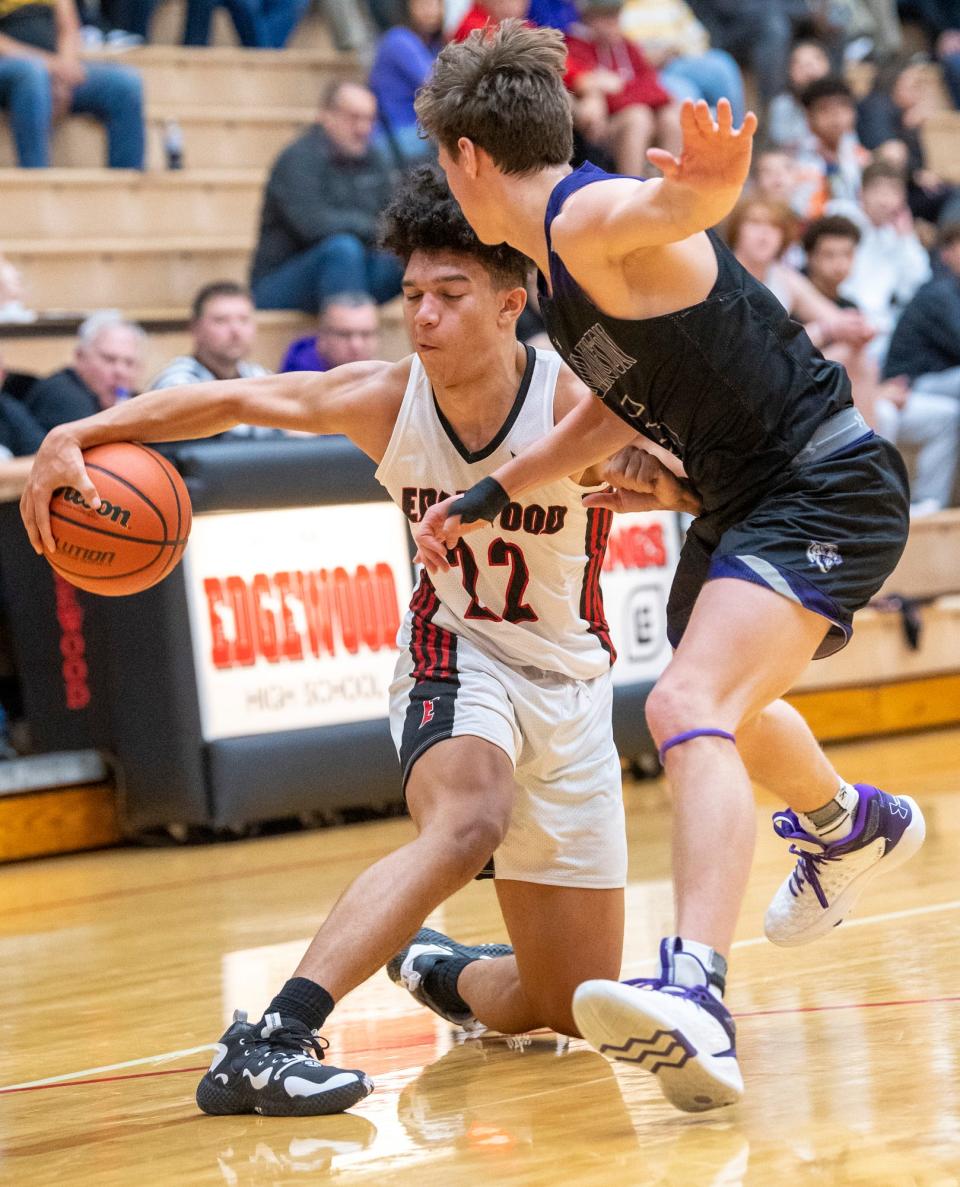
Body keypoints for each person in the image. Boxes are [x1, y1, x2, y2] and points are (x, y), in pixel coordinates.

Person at [20, 165, 693, 1116]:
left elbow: (697, 455)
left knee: (566, 1004)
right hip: (457, 654)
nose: (421, 317)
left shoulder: (577, 404)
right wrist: (81, 430)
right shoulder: (385, 400)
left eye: (449, 296)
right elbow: (231, 403)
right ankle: (274, 1036)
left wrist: (670, 478)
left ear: (511, 305)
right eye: (411, 295)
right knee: (468, 819)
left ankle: (439, 970)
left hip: (575, 688)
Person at [412, 20, 925, 1110]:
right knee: (722, 712)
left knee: (686, 701)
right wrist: (503, 487)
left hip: (822, 484)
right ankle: (848, 821)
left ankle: (696, 986)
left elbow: (664, 209)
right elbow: (606, 399)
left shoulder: (585, 216)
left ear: (465, 155)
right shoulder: (556, 274)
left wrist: (707, 187)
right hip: (740, 501)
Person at [802, 213, 956, 510]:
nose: (839, 264)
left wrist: (879, 389)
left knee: (944, 417)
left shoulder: (850, 305)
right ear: (810, 257)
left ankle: (927, 506)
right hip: (818, 412)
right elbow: (800, 369)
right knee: (883, 413)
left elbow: (864, 368)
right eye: (829, 255)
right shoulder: (795, 305)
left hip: (864, 397)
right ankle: (874, 500)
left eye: (847, 254)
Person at [250, 81, 403, 314]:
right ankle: (353, 339)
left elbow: (392, 225)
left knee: (415, 257)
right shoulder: (298, 159)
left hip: (357, 270)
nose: (363, 128)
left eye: (369, 119)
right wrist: (370, 227)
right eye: (353, 118)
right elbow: (314, 226)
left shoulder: (375, 159)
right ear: (326, 116)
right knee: (342, 250)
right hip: (281, 281)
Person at [0, 0, 144, 169]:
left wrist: (64, 70)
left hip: (53, 70)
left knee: (125, 84)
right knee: (31, 74)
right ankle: (36, 178)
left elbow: (69, 28)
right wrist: (51, 66)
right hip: (13, 68)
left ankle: (125, 185)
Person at [563, 0, 682, 179]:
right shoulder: (575, 46)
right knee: (637, 117)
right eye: (604, 16)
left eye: (616, 15)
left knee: (671, 116)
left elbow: (658, 89)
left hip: (635, 115)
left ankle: (670, 189)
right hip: (600, 129)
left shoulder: (626, 45)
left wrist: (622, 89)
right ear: (588, 18)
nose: (612, 22)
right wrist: (627, 93)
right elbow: (598, 97)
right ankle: (633, 189)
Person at [842, 160, 931, 338]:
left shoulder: (899, 235)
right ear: (861, 193)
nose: (884, 200)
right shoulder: (842, 216)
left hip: (883, 327)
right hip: (843, 315)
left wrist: (906, 239)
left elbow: (914, 287)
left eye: (892, 192)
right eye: (878, 191)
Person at [618, 0, 745, 122]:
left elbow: (698, 38)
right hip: (648, 72)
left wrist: (676, 50)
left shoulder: (670, 3)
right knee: (687, 94)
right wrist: (648, 58)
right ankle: (700, 140)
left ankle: (736, 135)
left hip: (681, 59)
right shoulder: (617, 8)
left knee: (722, 64)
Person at [25, 311, 144, 432]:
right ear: (80, 356)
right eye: (109, 360)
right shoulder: (61, 394)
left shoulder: (136, 400)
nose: (121, 372)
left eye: (129, 363)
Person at [368, 0, 443, 166]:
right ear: (407, 7)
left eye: (437, 4)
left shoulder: (432, 44)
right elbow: (438, 84)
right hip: (396, 134)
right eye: (424, 4)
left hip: (416, 132)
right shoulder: (398, 38)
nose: (432, 11)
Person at [279, 292, 380, 373]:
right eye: (344, 335)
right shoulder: (297, 380)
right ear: (322, 336)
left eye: (366, 334)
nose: (356, 345)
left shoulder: (381, 377)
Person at [766, 38, 831, 154]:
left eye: (816, 59)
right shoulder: (781, 105)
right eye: (799, 63)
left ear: (828, 65)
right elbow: (781, 144)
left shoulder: (842, 103)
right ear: (789, 71)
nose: (809, 68)